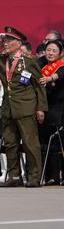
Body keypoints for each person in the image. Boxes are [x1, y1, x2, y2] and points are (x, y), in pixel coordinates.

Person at [0, 26, 48, 187]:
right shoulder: (1, 61)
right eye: (5, 40)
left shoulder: (29, 62)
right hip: (8, 109)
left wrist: (41, 108)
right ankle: (14, 176)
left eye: (9, 40)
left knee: (30, 144)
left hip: (26, 107)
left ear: (18, 43)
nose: (6, 43)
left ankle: (34, 177)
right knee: (10, 144)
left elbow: (39, 85)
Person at [38, 39, 64, 184]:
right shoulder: (40, 63)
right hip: (43, 108)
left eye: (54, 51)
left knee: (56, 143)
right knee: (44, 142)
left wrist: (49, 78)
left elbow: (59, 74)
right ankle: (47, 176)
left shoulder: (61, 65)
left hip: (58, 108)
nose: (50, 53)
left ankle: (57, 175)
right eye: (48, 50)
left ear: (60, 53)